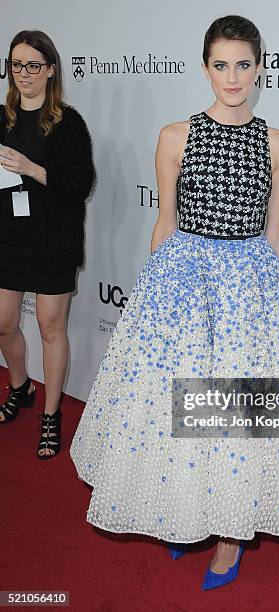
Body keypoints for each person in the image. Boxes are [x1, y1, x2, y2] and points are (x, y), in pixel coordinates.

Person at [70, 15, 279, 590]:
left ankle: (229, 536)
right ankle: (190, 515)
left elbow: (278, 231)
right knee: (175, 409)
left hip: (249, 290)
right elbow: (164, 222)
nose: (232, 77)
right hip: (182, 284)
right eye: (220, 64)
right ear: (205, 67)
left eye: (243, 64)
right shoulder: (174, 136)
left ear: (260, 67)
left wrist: (278, 306)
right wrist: (152, 299)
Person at [0, 30, 95, 459]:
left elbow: (78, 186)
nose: (24, 74)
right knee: (3, 322)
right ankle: (20, 387)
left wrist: (31, 168)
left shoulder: (68, 122)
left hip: (53, 240)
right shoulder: (1, 119)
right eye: (16, 65)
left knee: (49, 326)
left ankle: (52, 414)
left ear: (51, 70)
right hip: (8, 236)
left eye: (33, 65)